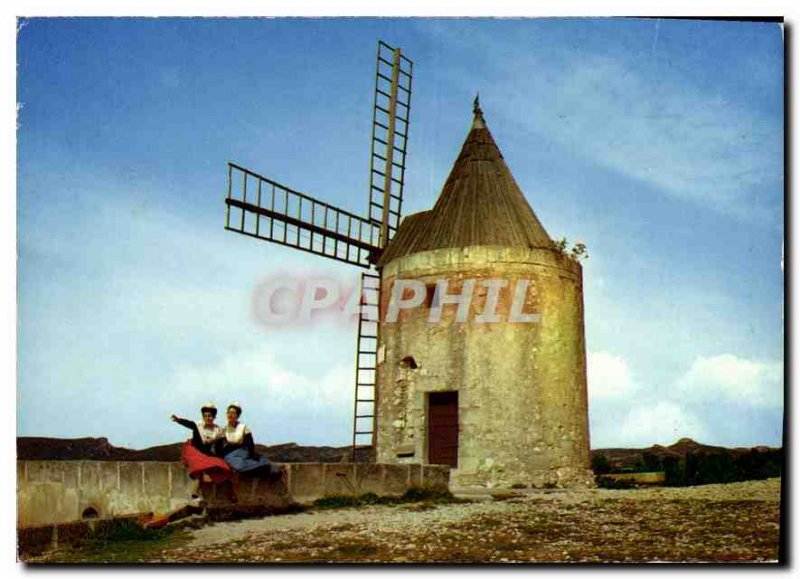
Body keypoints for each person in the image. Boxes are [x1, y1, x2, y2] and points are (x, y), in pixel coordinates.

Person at [170, 403, 233, 502]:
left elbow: (219, 446)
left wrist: (220, 457)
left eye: (210, 416)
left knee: (222, 465)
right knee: (200, 465)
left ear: (214, 417)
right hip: (193, 449)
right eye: (206, 416)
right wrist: (178, 420)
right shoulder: (198, 425)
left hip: (206, 452)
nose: (208, 418)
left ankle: (230, 493)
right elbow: (188, 423)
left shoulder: (218, 430)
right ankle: (195, 492)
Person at [217, 402, 282, 479]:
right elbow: (219, 446)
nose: (230, 415)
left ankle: (266, 467)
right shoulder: (224, 430)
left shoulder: (243, 428)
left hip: (242, 451)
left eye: (233, 413)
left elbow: (250, 444)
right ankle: (263, 469)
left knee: (242, 465)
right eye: (228, 413)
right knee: (238, 466)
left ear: (237, 416)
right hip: (230, 454)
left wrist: (250, 455)